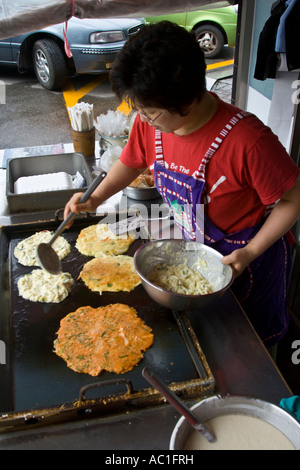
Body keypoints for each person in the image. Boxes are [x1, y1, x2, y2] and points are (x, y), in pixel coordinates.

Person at [64, 21, 300, 349]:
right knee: (208, 342)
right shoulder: (152, 124)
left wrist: (250, 251)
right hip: (197, 249)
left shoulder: (248, 141)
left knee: (249, 346)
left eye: (150, 113)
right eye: (139, 111)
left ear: (187, 101)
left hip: (251, 256)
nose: (143, 120)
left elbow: (292, 200)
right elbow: (131, 162)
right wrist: (96, 198)